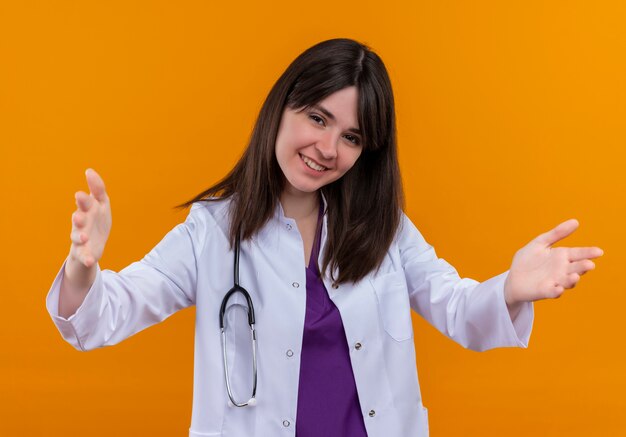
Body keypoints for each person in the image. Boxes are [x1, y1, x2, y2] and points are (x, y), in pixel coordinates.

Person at [46, 38, 603, 437]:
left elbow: (455, 306)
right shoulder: (212, 231)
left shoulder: (384, 230)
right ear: (281, 108)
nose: (329, 148)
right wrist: (83, 268)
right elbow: (104, 315)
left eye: (352, 135)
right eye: (317, 117)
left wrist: (510, 289)